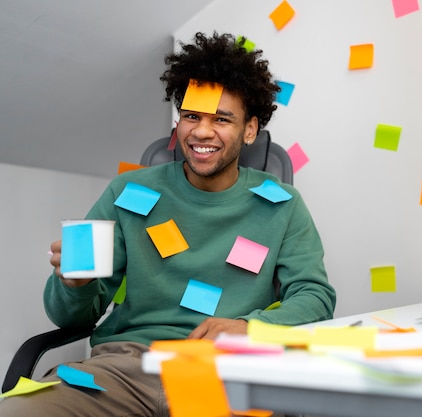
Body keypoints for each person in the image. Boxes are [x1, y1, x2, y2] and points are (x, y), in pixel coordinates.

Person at [0, 31, 336, 417]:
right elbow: (70, 317)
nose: (202, 132)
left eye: (221, 119)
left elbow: (315, 297)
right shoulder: (127, 191)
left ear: (249, 129)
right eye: (191, 116)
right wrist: (76, 286)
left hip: (224, 370)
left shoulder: (283, 204)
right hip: (123, 369)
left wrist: (248, 327)